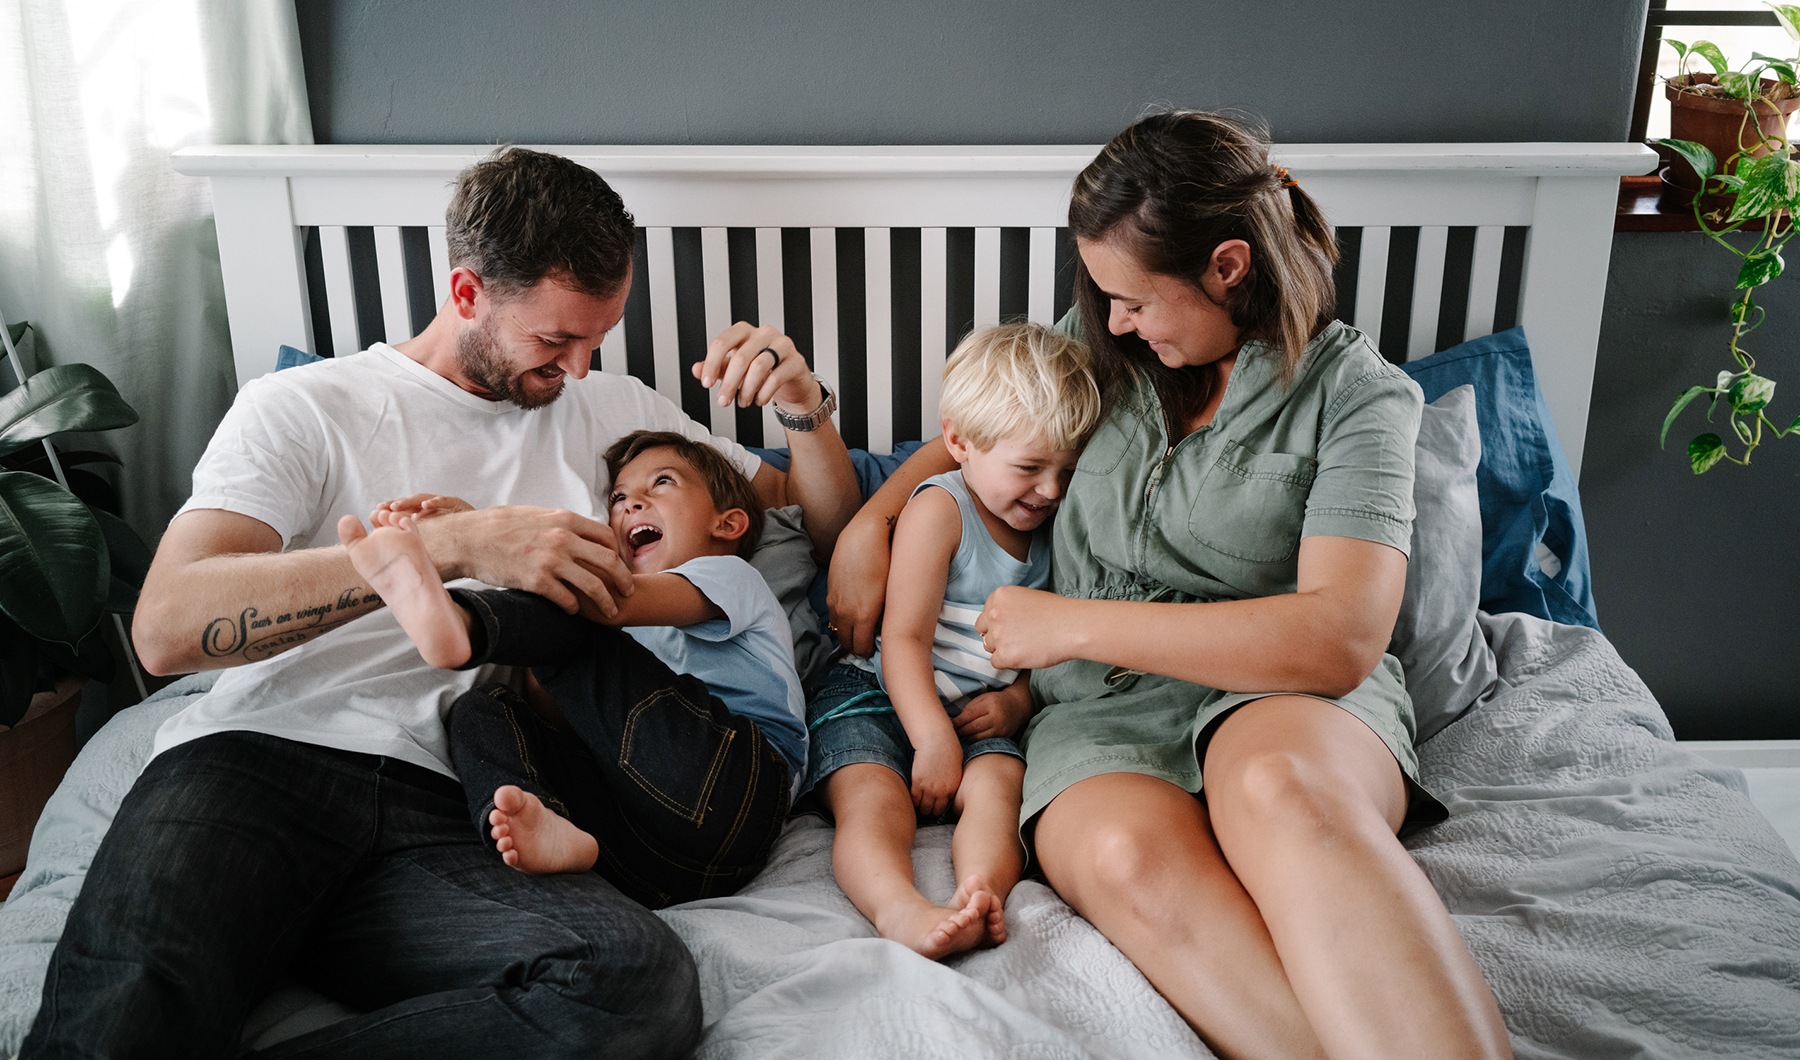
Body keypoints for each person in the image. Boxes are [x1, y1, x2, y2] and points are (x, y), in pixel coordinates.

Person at [24, 146, 857, 1059]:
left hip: (464, 802)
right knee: (119, 1020)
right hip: (264, 763)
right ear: (466, 293)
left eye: (595, 342)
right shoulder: (306, 406)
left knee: (633, 988)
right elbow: (167, 627)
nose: (578, 369)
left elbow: (809, 522)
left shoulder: (615, 408)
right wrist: (454, 544)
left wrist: (802, 404)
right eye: (553, 343)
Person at [826, 112, 1513, 1059]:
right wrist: (875, 517)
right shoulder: (1099, 346)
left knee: (1281, 793)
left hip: (1280, 687)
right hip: (1095, 714)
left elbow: (1340, 638)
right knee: (1124, 857)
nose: (1112, 323)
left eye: (1137, 301)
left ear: (1228, 266)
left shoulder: (1358, 397)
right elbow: (977, 434)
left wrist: (1070, 625)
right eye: (1104, 299)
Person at [338, 429, 806, 909]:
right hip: (649, 861)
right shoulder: (624, 647)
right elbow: (560, 703)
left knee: (579, 617)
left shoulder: (731, 576)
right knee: (483, 708)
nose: (629, 504)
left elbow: (612, 604)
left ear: (726, 525)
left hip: (739, 791)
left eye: (662, 482)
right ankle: (543, 818)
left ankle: (464, 622)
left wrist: (485, 538)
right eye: (619, 497)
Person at [804, 322, 1101, 959]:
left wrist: (1020, 701)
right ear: (960, 443)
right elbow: (904, 638)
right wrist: (931, 738)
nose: (1050, 490)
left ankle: (979, 895)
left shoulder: (1057, 522)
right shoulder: (941, 509)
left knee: (999, 789)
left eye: (1066, 471)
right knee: (871, 799)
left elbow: (1050, 637)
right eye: (1030, 467)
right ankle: (897, 907)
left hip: (977, 709)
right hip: (882, 691)